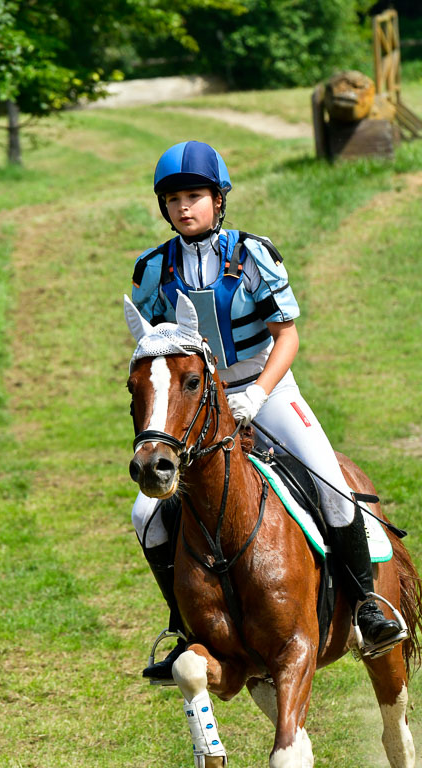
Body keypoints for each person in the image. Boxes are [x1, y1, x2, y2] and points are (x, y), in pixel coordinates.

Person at [130, 140, 404, 680]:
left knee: (332, 483)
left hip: (268, 389)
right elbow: (154, 350)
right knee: (146, 515)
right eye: (174, 199)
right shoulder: (153, 269)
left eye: (194, 196)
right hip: (198, 405)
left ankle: (368, 607)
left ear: (218, 200)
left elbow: (287, 335)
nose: (184, 207)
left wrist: (257, 393)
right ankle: (182, 627)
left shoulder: (253, 254)